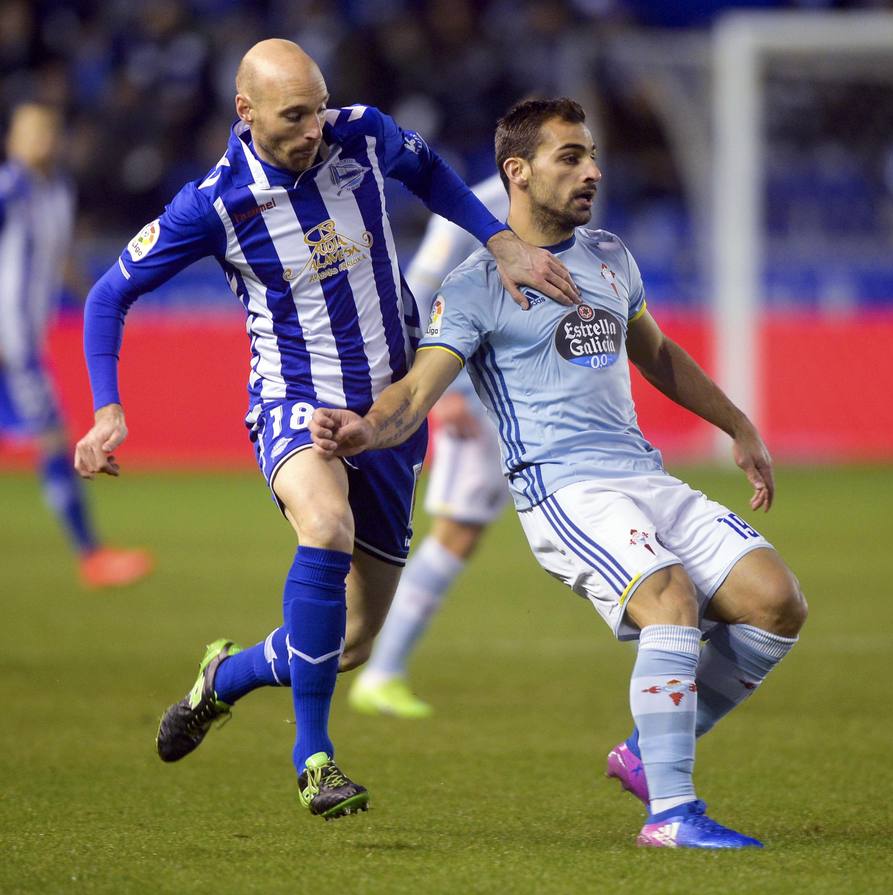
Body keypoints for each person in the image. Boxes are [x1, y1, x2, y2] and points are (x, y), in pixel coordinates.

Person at [73, 40, 581, 820]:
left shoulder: (364, 133)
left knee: (354, 643)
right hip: (294, 402)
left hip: (388, 412)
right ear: (245, 113)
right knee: (326, 522)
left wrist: (501, 240)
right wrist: (109, 408)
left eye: (318, 106)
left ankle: (226, 679)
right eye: (294, 115)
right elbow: (108, 296)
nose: (315, 127)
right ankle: (314, 757)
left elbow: (434, 173)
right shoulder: (212, 204)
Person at [312, 98, 807, 849]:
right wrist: (364, 429)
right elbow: (415, 392)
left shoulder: (610, 255)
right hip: (563, 488)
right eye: (570, 157)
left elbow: (659, 354)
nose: (593, 172)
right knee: (668, 599)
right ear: (519, 170)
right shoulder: (476, 284)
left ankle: (646, 749)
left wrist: (737, 426)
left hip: (643, 473)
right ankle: (672, 815)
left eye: (592, 156)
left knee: (777, 603)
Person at [348, 173, 510, 718]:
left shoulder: (549, 204)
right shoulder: (479, 206)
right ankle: (381, 670)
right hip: (477, 395)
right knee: (458, 532)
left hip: (514, 391)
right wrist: (446, 391)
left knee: (467, 531)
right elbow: (416, 290)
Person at [0, 103, 153, 589]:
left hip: (24, 336)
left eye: (49, 128)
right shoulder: (10, 189)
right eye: (32, 130)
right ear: (12, 141)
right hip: (11, 338)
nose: (43, 138)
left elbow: (61, 257)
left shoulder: (59, 191)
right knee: (51, 435)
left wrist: (97, 301)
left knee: (50, 436)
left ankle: (91, 554)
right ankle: (90, 555)